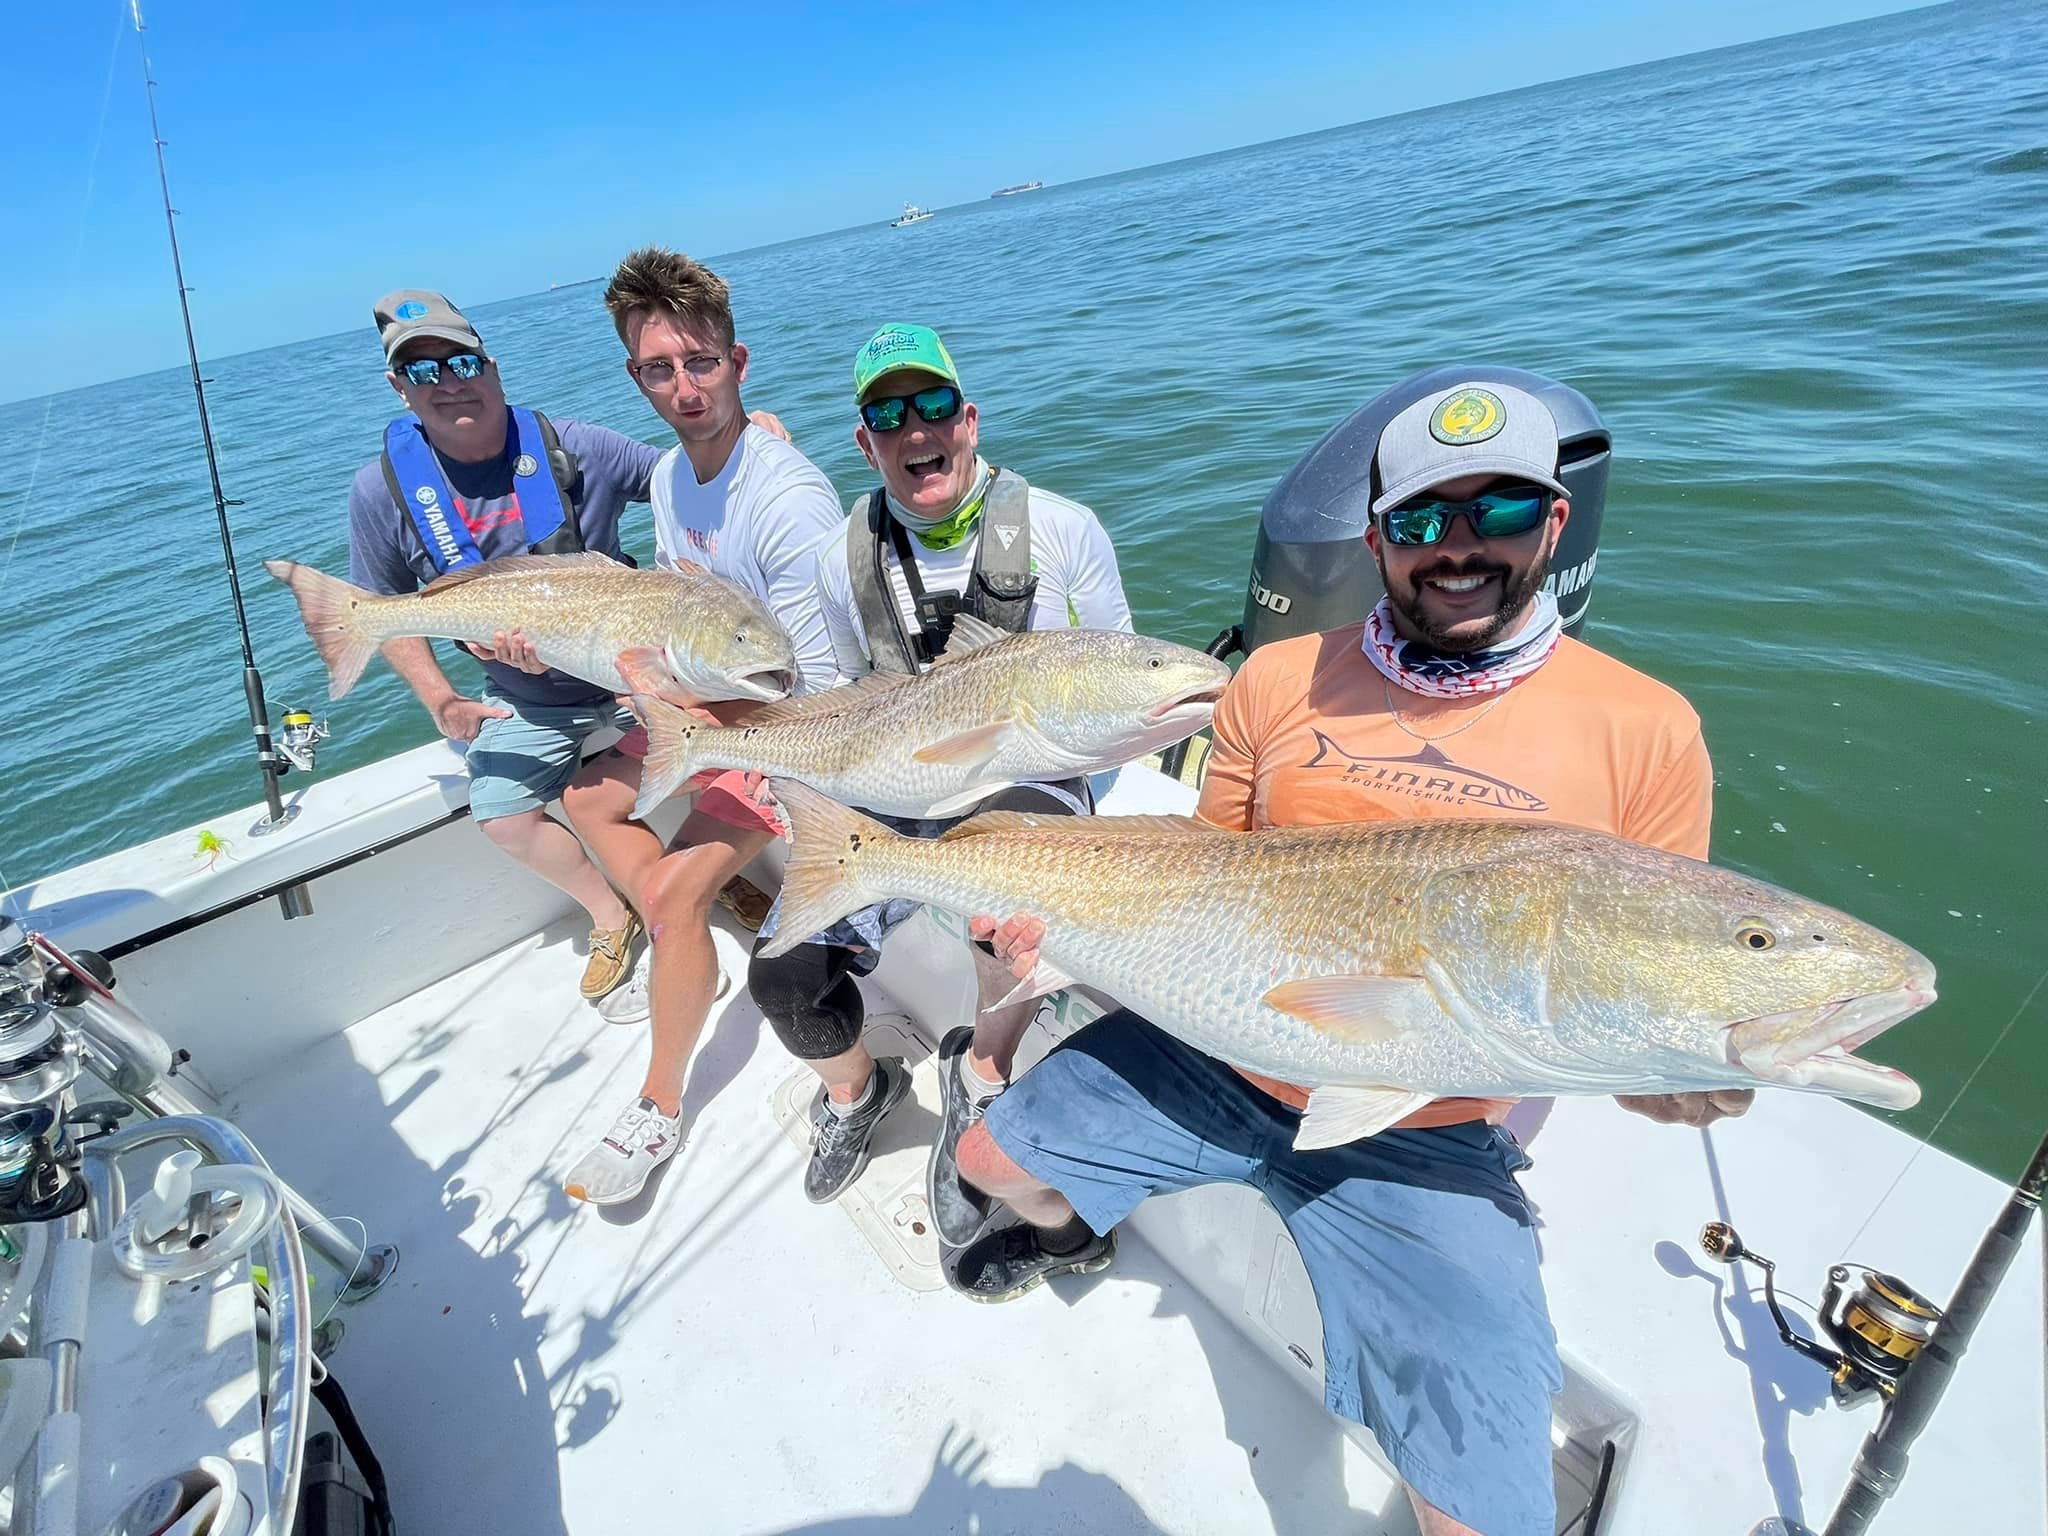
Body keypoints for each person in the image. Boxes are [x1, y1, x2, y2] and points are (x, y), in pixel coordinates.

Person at [949, 379, 1753, 1536]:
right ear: (1374, 539)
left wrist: (1663, 1068)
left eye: (1501, 513)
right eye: (1421, 523)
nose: (1458, 549)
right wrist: (1038, 940)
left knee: (1483, 1514)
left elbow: (1621, 979)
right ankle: (1081, 1231)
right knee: (984, 1162)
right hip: (1216, 1052)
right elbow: (1199, 882)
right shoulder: (1272, 681)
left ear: (1556, 524)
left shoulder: (1647, 731)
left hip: (1427, 1128)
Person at [747, 323, 1134, 1233]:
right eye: (889, 413)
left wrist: (1058, 790)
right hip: (890, 780)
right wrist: (794, 770)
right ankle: (856, 1091)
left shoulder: (1063, 531)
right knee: (783, 973)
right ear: (865, 440)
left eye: (931, 407)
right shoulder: (839, 560)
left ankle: (983, 1067)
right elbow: (841, 691)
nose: (914, 430)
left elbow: (1120, 691)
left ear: (967, 418)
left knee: (1001, 908)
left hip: (1033, 774)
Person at [557, 248, 843, 1207]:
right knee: (584, 797)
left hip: (799, 735)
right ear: (636, 378)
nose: (684, 388)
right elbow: (680, 620)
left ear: (739, 362)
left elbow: (820, 684)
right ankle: (687, 938)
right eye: (659, 369)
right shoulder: (674, 482)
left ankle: (658, 1103)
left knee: (675, 896)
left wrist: (684, 714)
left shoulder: (790, 500)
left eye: (701, 363)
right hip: (706, 710)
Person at [347, 289, 662, 1005]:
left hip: (634, 676)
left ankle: (693, 871)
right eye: (422, 372)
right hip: (524, 695)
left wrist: (748, 439)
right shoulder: (381, 492)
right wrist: (442, 701)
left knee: (719, 744)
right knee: (503, 816)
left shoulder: (580, 446)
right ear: (399, 389)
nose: (448, 382)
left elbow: (686, 480)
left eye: (460, 361)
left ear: (492, 366)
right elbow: (383, 610)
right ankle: (613, 916)